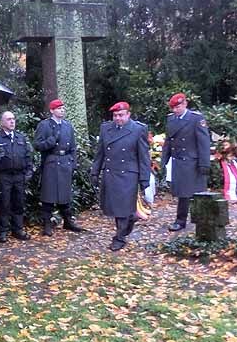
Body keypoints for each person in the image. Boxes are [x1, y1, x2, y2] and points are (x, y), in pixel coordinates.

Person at [90, 102, 152, 250]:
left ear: (128, 114)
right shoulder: (106, 128)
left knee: (122, 208)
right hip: (111, 172)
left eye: (121, 115)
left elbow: (143, 157)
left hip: (128, 174)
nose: (118, 118)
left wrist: (144, 179)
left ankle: (119, 238)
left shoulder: (138, 129)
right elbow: (100, 153)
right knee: (115, 207)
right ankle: (131, 218)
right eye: (115, 115)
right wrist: (94, 172)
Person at [33, 99, 84, 236]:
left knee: (65, 194)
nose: (62, 110)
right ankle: (47, 224)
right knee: (48, 195)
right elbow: (37, 145)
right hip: (51, 162)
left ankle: (68, 221)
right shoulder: (44, 125)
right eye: (59, 108)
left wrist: (73, 163)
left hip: (65, 162)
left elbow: (73, 147)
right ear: (52, 110)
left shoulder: (68, 126)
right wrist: (50, 142)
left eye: (63, 108)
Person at [161, 93, 211, 231]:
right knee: (182, 193)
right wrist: (164, 160)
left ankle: (201, 221)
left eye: (178, 107)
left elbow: (204, 142)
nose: (175, 110)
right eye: (173, 108)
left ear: (185, 104)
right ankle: (181, 221)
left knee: (196, 194)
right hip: (178, 161)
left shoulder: (196, 119)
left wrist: (204, 163)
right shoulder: (171, 119)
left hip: (192, 161)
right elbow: (168, 141)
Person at [0, 110, 33, 243]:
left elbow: (27, 155)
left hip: (19, 175)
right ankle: (2, 231)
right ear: (1, 122)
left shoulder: (20, 138)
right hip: (4, 176)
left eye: (13, 119)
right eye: (9, 119)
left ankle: (18, 229)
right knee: (4, 203)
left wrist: (29, 172)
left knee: (19, 203)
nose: (12, 121)